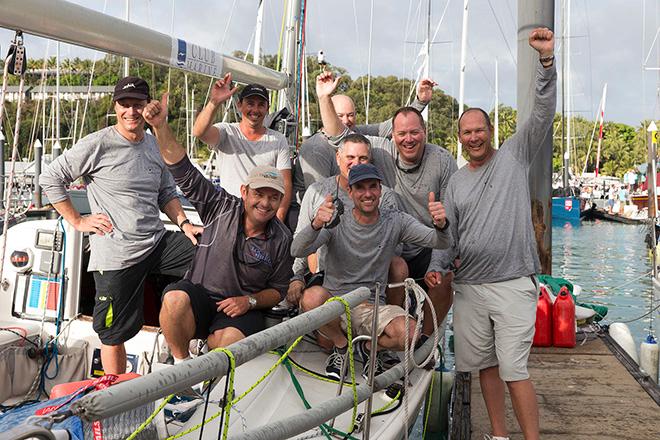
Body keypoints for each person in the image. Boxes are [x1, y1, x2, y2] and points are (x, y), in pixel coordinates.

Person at [432, 28, 556, 440]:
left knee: (514, 368)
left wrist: (546, 63)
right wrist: (436, 257)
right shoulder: (456, 183)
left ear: (490, 131)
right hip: (469, 288)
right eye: (466, 133)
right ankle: (499, 436)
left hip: (512, 284)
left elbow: (541, 113)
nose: (473, 137)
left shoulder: (516, 156)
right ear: (461, 138)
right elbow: (447, 238)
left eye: (479, 130)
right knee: (484, 366)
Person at [40, 76, 199, 374]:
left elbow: (166, 192)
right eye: (124, 104)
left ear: (147, 106)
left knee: (209, 252)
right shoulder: (98, 143)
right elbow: (49, 178)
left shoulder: (154, 144)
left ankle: (189, 353)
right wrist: (77, 220)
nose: (131, 111)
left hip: (155, 242)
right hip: (116, 254)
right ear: (115, 106)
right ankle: (116, 399)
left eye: (138, 104)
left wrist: (184, 223)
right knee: (112, 334)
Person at [142, 93, 294, 361]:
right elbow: (181, 167)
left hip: (241, 308)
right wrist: (160, 126)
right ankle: (182, 366)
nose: (265, 203)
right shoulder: (220, 205)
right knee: (174, 299)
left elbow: (278, 290)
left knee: (229, 342)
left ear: (281, 200)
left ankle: (210, 375)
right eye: (259, 194)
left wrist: (249, 301)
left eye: (273, 197)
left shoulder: (281, 238)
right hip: (200, 295)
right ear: (244, 192)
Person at [316, 72, 457, 339]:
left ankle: (422, 345)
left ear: (425, 132)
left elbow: (447, 220)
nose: (408, 139)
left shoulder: (442, 160)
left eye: (415, 132)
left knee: (444, 280)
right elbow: (339, 136)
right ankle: (390, 335)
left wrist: (436, 266)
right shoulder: (380, 151)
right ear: (392, 135)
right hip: (392, 241)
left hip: (427, 241)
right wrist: (325, 98)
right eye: (402, 133)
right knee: (397, 265)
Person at [290, 163, 450, 379]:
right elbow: (296, 249)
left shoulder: (396, 220)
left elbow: (439, 242)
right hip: (335, 304)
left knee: (411, 335)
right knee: (310, 298)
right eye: (360, 187)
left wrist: (441, 225)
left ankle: (369, 349)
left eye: (372, 187)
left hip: (373, 306)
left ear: (380, 189)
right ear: (350, 191)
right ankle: (341, 346)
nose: (367, 193)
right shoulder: (335, 221)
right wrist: (316, 223)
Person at [286, 133, 401, 303]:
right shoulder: (317, 191)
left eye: (363, 158)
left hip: (371, 277)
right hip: (327, 274)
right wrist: (296, 277)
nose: (356, 163)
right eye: (350, 157)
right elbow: (301, 238)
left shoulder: (385, 196)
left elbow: (396, 246)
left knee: (399, 265)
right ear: (338, 158)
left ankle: (390, 314)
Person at [293, 79, 435, 200]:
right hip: (312, 213)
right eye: (340, 116)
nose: (346, 121)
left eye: (350, 115)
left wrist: (420, 102)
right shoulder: (315, 149)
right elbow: (321, 195)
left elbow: (392, 125)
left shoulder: (356, 134)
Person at [192, 73, 292, 223]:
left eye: (261, 105)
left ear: (267, 108)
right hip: (229, 215)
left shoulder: (279, 140)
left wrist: (278, 221)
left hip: (263, 218)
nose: (255, 110)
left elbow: (285, 183)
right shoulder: (226, 132)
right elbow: (199, 132)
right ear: (240, 105)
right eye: (250, 103)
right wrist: (214, 102)